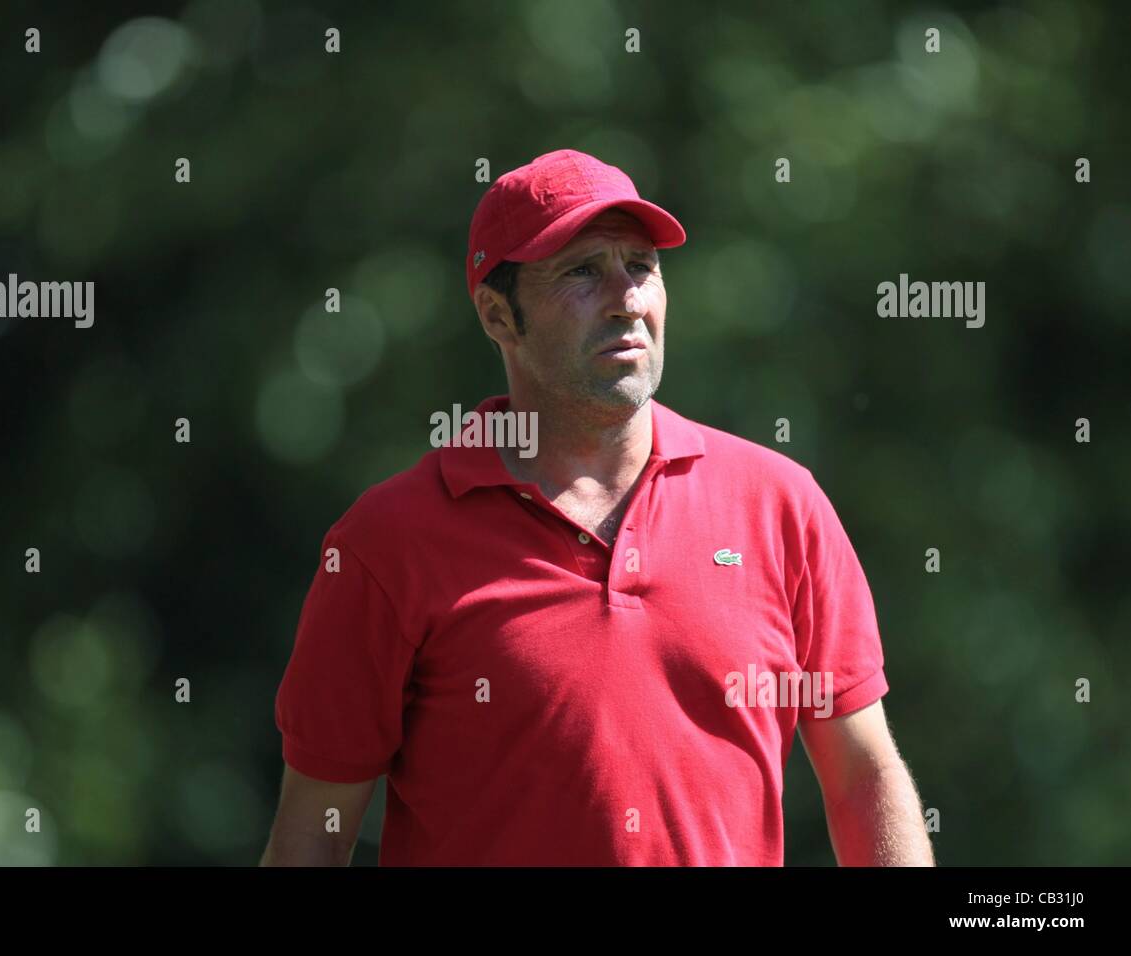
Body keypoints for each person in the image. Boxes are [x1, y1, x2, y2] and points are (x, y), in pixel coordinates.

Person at [261, 148, 934, 866]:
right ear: (498, 316)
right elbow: (313, 839)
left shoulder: (780, 503)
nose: (627, 298)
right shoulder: (386, 542)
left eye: (640, 265)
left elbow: (863, 776)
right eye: (582, 271)